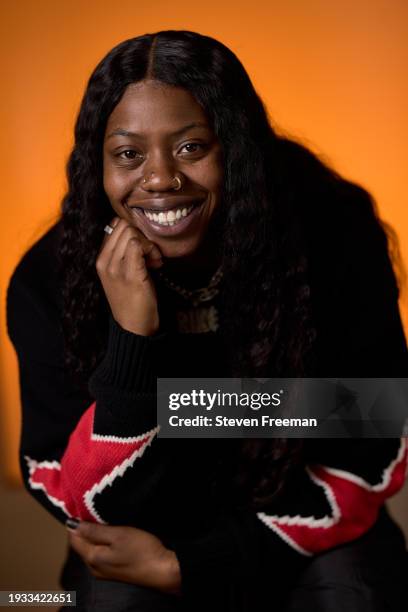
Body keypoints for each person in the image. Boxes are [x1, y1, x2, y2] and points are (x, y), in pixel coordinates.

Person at [6, 30, 408, 611]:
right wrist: (130, 342)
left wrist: (197, 562)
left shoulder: (332, 232)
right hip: (146, 533)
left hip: (303, 527)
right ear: (99, 164)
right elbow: (71, 491)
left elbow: (375, 429)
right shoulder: (50, 279)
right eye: (128, 153)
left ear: (236, 147)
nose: (161, 178)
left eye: (192, 147)